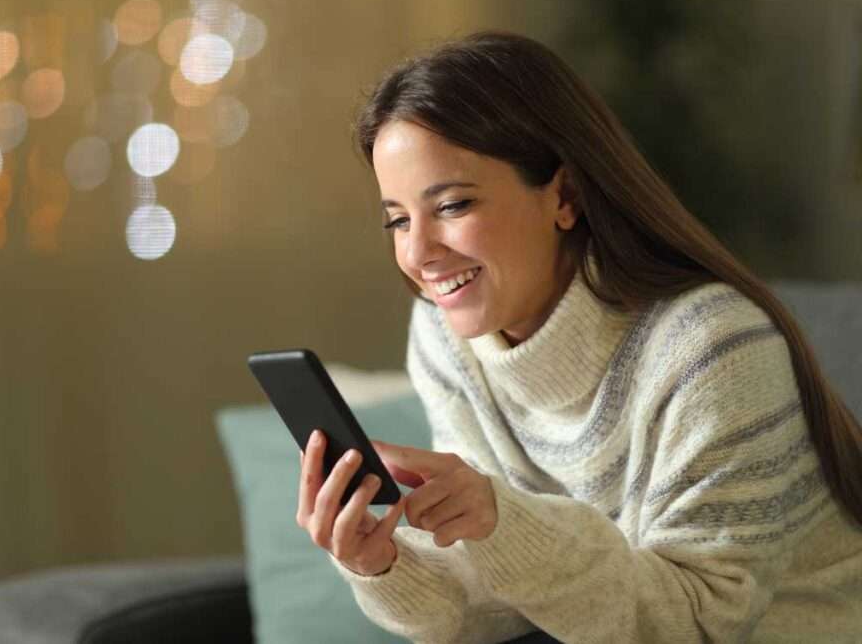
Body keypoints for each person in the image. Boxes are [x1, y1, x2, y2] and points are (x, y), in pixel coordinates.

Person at [295, 31, 862, 643]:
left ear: (563, 195)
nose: (418, 253)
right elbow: (487, 608)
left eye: (453, 206)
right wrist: (381, 563)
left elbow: (697, 625)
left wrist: (503, 521)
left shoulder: (712, 349)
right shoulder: (443, 335)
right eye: (398, 219)